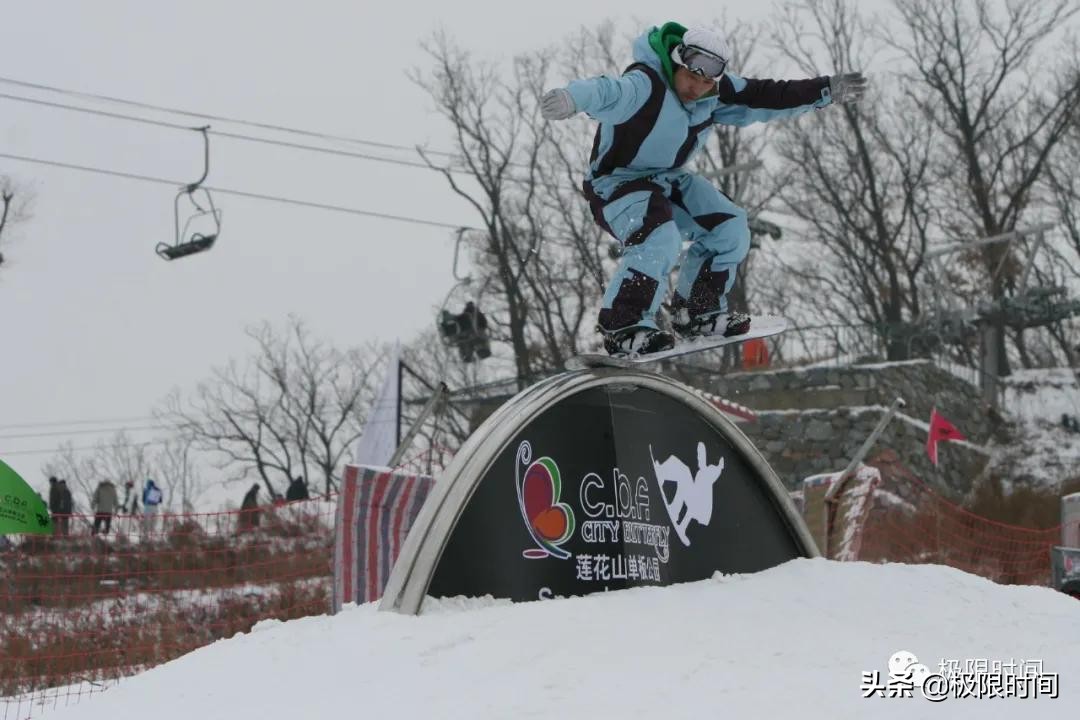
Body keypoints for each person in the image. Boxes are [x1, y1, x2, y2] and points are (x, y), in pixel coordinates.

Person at [540, 22, 867, 357]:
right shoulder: (646, 84)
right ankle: (622, 325)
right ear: (676, 62)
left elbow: (769, 95)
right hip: (615, 185)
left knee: (730, 226)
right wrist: (571, 99)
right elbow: (606, 91)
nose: (696, 89)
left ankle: (696, 311)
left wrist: (824, 90)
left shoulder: (715, 94)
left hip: (666, 181)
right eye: (690, 78)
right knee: (660, 237)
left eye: (706, 82)